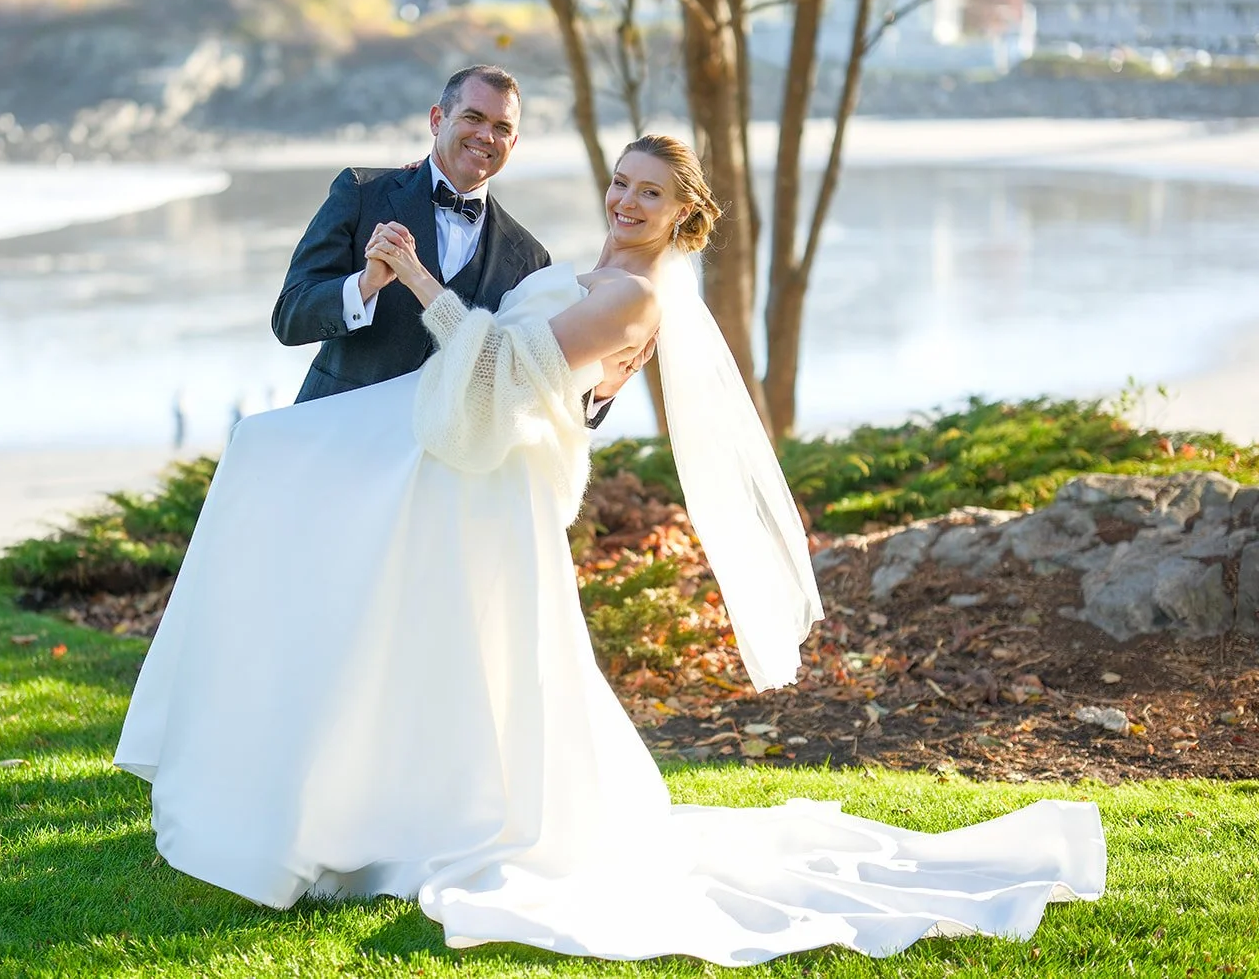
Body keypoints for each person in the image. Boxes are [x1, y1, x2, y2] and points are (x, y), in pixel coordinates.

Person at [115, 135, 1106, 967]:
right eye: (622, 182)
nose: (626, 200)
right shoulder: (581, 269)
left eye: (651, 192)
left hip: (491, 488)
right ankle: (351, 801)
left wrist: (415, 276)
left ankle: (423, 818)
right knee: (333, 544)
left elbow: (507, 369)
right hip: (463, 473)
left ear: (683, 214)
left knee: (462, 645)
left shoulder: (635, 298)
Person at [270, 63, 636, 421]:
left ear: (514, 142)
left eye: (501, 127)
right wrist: (365, 286)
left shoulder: (529, 256)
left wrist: (604, 389)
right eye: (473, 117)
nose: (486, 136)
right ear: (436, 120)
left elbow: (530, 372)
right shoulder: (361, 193)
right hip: (335, 433)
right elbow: (289, 318)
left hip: (444, 470)